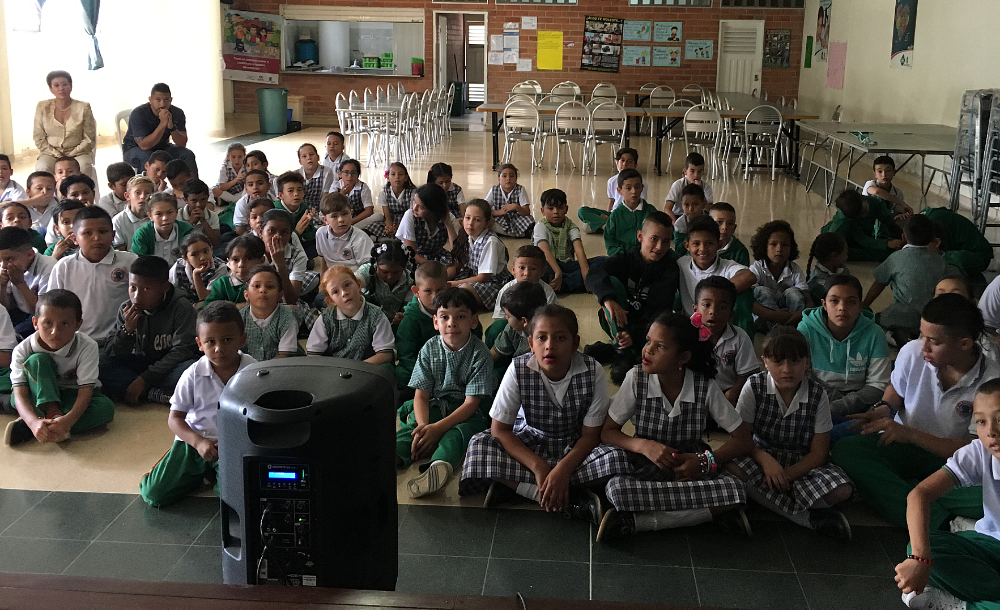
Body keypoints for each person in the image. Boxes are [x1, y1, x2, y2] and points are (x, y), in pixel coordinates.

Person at [832, 294, 998, 530]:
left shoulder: (992, 382)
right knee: (848, 450)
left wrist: (910, 434)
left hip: (956, 462)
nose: (924, 346)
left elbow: (976, 450)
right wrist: (885, 408)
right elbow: (896, 391)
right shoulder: (912, 352)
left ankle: (915, 500)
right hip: (904, 447)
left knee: (991, 492)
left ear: (964, 344)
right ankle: (943, 522)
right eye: (922, 336)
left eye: (934, 341)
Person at [594, 312, 754, 541]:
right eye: (648, 341)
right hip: (647, 465)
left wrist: (703, 461)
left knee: (736, 489)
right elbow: (607, 432)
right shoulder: (636, 378)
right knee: (617, 490)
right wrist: (643, 446)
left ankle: (638, 522)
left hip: (691, 468)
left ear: (683, 358)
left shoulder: (704, 386)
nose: (647, 350)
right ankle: (705, 514)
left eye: (660, 346)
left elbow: (743, 439)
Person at [728, 327, 855, 538]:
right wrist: (766, 462)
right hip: (761, 456)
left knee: (842, 489)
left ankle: (765, 501)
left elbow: (819, 453)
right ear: (765, 362)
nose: (787, 369)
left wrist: (786, 476)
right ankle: (806, 518)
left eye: (795, 361)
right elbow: (742, 438)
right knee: (732, 467)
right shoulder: (754, 386)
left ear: (807, 361)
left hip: (801, 462)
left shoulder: (817, 394)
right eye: (778, 362)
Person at [893, 378, 1000, 610]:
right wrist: (920, 560)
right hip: (990, 543)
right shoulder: (980, 452)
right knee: (922, 547)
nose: (991, 431)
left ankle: (963, 603)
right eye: (981, 421)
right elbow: (919, 494)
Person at [137, 301, 256, 507]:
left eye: (227, 340)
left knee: (234, 497)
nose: (219, 348)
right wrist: (199, 442)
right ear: (199, 344)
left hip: (234, 445)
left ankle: (209, 475)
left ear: (242, 339)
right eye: (210, 342)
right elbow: (175, 419)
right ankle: (192, 471)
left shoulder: (253, 370)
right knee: (154, 494)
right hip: (194, 442)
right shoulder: (192, 374)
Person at [396, 287, 493, 498]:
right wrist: (424, 428)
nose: (452, 323)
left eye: (460, 316)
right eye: (444, 317)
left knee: (458, 435)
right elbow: (420, 395)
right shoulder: (429, 348)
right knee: (411, 430)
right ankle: (392, 456)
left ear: (473, 321)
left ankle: (437, 467)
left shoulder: (480, 354)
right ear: (435, 322)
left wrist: (438, 429)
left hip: (466, 412)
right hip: (434, 405)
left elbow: (471, 404)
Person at [3, 289, 114, 446]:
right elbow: (20, 393)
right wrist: (33, 421)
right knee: (36, 362)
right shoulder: (23, 349)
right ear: (35, 323)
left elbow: (85, 392)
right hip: (37, 394)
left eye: (65, 324)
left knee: (105, 408)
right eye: (47, 323)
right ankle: (45, 420)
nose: (55, 332)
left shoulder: (87, 346)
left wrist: (67, 421)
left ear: (78, 324)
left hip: (72, 395)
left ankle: (41, 426)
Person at [585, 212, 680, 385]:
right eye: (654, 239)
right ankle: (622, 347)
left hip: (647, 327)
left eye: (666, 241)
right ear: (640, 236)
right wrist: (608, 299)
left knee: (660, 328)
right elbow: (594, 273)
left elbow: (657, 312)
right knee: (609, 284)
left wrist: (634, 336)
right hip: (620, 320)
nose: (659, 247)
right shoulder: (627, 258)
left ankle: (619, 349)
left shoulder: (669, 269)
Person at [798, 274, 891, 442]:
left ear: (860, 306)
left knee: (881, 419)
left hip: (859, 406)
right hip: (817, 402)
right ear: (824, 304)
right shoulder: (806, 329)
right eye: (834, 301)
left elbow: (877, 385)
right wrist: (828, 405)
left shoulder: (874, 333)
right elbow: (801, 375)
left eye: (851, 302)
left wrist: (839, 406)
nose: (842, 308)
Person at [100, 256, 198, 405]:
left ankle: (135, 388)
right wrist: (127, 331)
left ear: (164, 288)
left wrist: (145, 379)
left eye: (146, 289)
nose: (137, 296)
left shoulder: (181, 307)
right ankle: (153, 393)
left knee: (193, 369)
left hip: (168, 368)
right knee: (100, 361)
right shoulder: (126, 309)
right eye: (133, 288)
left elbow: (183, 350)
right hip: (139, 364)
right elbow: (111, 351)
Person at [47, 207, 137, 346]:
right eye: (87, 233)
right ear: (75, 238)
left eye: (102, 231)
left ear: (113, 235)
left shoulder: (129, 262)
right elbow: (53, 307)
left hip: (119, 337)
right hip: (77, 340)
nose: (96, 238)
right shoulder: (64, 266)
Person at [863, 214, 947, 344]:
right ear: (933, 239)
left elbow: (879, 283)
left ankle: (895, 337)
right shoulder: (940, 261)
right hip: (932, 318)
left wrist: (864, 305)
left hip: (902, 316)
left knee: (875, 321)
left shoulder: (896, 257)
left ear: (903, 237)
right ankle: (922, 337)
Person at [676, 216, 757, 338]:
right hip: (691, 326)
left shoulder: (726, 266)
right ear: (687, 246)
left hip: (720, 325)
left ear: (718, 244)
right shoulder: (681, 263)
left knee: (744, 293)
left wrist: (715, 293)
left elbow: (749, 276)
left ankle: (741, 340)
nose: (702, 249)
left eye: (709, 243)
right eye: (696, 243)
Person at [306, 265, 394, 363]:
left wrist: (354, 370)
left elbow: (385, 355)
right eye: (336, 292)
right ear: (331, 300)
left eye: (347, 285)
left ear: (358, 284)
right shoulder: (325, 319)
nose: (344, 293)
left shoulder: (377, 316)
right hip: (334, 371)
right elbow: (313, 355)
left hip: (366, 371)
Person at [693, 276, 759, 406]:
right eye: (706, 305)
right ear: (695, 309)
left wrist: (732, 394)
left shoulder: (739, 337)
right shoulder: (686, 334)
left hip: (727, 397)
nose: (713, 312)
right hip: (695, 395)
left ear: (731, 314)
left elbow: (748, 374)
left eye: (722, 307)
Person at [32, 71, 97, 184]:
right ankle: (47, 199)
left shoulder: (83, 107)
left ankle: (82, 198)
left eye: (65, 84)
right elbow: (39, 137)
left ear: (70, 86)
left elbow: (89, 139)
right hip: (50, 152)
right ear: (51, 89)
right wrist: (57, 154)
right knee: (42, 167)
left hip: (78, 152)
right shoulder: (42, 107)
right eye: (56, 85)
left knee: (84, 166)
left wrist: (71, 154)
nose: (61, 88)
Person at [395, 261, 450, 392]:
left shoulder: (456, 310)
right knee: (400, 375)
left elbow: (472, 334)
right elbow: (406, 355)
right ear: (416, 292)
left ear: (448, 287)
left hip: (451, 364)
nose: (435, 297)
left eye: (440, 290)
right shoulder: (410, 318)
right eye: (428, 291)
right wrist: (427, 376)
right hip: (422, 369)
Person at [121, 83, 198, 176]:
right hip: (134, 148)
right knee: (150, 158)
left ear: (171, 100)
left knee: (187, 154)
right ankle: (149, 189)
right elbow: (144, 146)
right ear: (150, 100)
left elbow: (182, 143)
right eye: (158, 100)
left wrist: (172, 127)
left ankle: (191, 188)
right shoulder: (138, 113)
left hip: (163, 146)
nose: (162, 104)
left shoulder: (177, 113)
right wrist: (162, 124)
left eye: (166, 100)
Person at [449, 199, 513, 310]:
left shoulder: (491, 242)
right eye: (467, 218)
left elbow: (483, 277)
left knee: (461, 291)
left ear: (487, 223)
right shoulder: (469, 236)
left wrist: (453, 283)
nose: (470, 223)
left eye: (477, 220)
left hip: (493, 284)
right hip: (474, 276)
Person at [749, 220, 810, 332]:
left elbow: (807, 298)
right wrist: (773, 315)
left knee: (794, 292)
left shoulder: (794, 269)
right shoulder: (757, 267)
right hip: (764, 319)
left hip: (789, 318)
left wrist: (801, 314)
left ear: (791, 248)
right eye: (773, 244)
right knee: (761, 290)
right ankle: (777, 329)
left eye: (785, 245)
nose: (779, 249)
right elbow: (748, 300)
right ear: (764, 246)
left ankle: (795, 329)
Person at [576, 147, 648, 233]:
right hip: (614, 214)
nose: (625, 164)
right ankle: (608, 226)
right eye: (622, 160)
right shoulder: (611, 181)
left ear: (635, 165)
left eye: (630, 161)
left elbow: (640, 206)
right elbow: (612, 201)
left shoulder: (640, 183)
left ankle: (609, 227)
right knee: (582, 211)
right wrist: (609, 216)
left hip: (630, 216)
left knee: (588, 227)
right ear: (617, 163)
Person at [0, 227, 56, 337]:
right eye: (0, 260)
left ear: (30, 254)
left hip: (42, 316)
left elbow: (40, 311)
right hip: (19, 314)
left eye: (10, 259)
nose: (4, 265)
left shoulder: (49, 267)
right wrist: (2, 286)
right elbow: (6, 307)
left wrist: (20, 283)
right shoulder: (4, 266)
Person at [259, 209, 319, 311]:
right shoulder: (252, 250)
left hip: (282, 301)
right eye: (271, 231)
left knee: (292, 308)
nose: (278, 237)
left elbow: (290, 300)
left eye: (284, 232)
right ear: (261, 233)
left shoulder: (297, 255)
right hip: (257, 299)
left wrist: (280, 265)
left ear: (290, 235)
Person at [533, 189, 591, 294]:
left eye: (560, 208)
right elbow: (545, 251)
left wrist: (586, 276)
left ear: (566, 209)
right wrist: (557, 272)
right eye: (550, 208)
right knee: (544, 273)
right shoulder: (540, 226)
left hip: (567, 265)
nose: (555, 212)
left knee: (603, 262)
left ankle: (564, 285)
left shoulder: (571, 227)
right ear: (542, 211)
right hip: (549, 265)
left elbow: (579, 250)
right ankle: (570, 284)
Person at [821, 190, 902, 262]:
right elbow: (862, 239)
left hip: (863, 238)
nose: (863, 216)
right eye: (859, 215)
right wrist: (887, 243)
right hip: (844, 245)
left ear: (863, 199)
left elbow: (886, 217)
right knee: (883, 254)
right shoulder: (845, 220)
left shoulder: (873, 202)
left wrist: (895, 218)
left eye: (863, 211)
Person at [240, 265, 300, 361]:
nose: (263, 290)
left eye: (270, 286)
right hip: (248, 370)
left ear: (280, 295)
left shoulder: (287, 318)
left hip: (280, 368)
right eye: (256, 286)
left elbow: (285, 356)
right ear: (246, 295)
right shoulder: (239, 318)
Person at [922, 206, 995, 283]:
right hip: (959, 249)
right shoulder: (923, 219)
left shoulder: (935, 222)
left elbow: (937, 251)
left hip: (979, 255)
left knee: (939, 260)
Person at [491, 244, 559, 322]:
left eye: (533, 269)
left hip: (536, 326)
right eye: (522, 268)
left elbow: (551, 316)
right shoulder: (507, 289)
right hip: (512, 326)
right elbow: (500, 317)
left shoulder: (547, 291)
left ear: (542, 272)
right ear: (513, 270)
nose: (526, 273)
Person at [491, 280, 547, 373]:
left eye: (508, 316)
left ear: (524, 321)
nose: (506, 318)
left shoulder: (544, 342)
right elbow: (494, 354)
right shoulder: (512, 329)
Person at [396, 183, 457, 267]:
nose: (414, 208)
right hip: (415, 257)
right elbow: (411, 252)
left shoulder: (448, 217)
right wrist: (432, 266)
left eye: (421, 207)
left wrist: (448, 223)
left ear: (433, 210)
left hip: (437, 256)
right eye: (414, 201)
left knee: (455, 266)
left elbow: (456, 250)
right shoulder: (410, 215)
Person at [358, 239, 413, 328]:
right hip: (366, 322)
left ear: (404, 268)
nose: (390, 277)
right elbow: (353, 284)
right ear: (377, 264)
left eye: (396, 272)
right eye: (384, 272)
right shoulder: (367, 271)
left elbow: (406, 308)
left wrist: (401, 315)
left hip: (395, 326)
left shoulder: (410, 280)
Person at [315, 192, 373, 273]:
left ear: (351, 213)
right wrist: (322, 281)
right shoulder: (321, 234)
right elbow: (323, 259)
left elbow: (367, 267)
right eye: (334, 216)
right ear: (325, 220)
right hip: (333, 276)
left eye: (345, 214)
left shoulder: (361, 238)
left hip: (354, 276)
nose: (341, 220)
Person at [202, 234, 266, 308]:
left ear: (261, 261)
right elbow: (206, 310)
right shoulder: (222, 284)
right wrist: (235, 307)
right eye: (235, 259)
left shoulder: (267, 282)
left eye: (248, 258)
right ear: (228, 262)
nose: (241, 265)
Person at [604, 168, 656, 257]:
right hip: (622, 259)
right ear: (619, 191)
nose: (634, 191)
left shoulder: (651, 211)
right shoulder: (615, 215)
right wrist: (621, 255)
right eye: (628, 188)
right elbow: (610, 243)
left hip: (647, 257)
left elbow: (658, 237)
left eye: (637, 187)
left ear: (642, 188)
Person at [130, 192, 193, 261]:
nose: (165, 218)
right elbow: (139, 264)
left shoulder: (186, 230)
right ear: (150, 216)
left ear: (176, 212)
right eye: (159, 214)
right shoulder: (142, 235)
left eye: (169, 212)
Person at [169, 232, 226, 303]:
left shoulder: (220, 268)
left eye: (205, 251)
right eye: (194, 255)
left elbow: (207, 300)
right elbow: (169, 292)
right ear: (186, 259)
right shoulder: (179, 266)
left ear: (211, 250)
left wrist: (196, 275)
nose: (202, 258)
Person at [274, 171, 316, 260]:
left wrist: (307, 226)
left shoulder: (304, 207)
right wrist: (297, 231)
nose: (296, 194)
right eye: (290, 191)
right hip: (283, 247)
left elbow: (310, 236)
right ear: (280, 195)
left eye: (299, 190)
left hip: (300, 244)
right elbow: (278, 240)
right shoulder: (275, 211)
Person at [332, 159, 381, 236]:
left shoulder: (363, 187)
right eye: (346, 173)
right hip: (340, 219)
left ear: (358, 175)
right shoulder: (335, 186)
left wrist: (351, 221)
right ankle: (355, 232)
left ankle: (350, 230)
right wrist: (341, 194)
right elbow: (331, 207)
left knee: (378, 216)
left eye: (353, 173)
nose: (350, 176)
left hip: (357, 220)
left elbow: (369, 211)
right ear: (340, 174)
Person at [484, 164, 534, 238]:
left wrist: (516, 207)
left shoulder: (520, 189)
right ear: (499, 179)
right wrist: (498, 212)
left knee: (529, 220)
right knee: (488, 222)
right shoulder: (494, 190)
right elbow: (484, 209)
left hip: (517, 219)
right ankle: (522, 234)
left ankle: (503, 233)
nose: (508, 179)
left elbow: (526, 212)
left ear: (516, 179)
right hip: (499, 218)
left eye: (511, 176)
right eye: (504, 176)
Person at [664, 152, 713, 224]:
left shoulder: (706, 188)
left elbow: (708, 210)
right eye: (692, 171)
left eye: (699, 171)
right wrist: (675, 224)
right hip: (678, 215)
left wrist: (700, 191)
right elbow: (667, 208)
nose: (696, 175)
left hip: (697, 216)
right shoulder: (678, 185)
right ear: (685, 171)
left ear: (703, 172)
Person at [112, 176, 153, 250]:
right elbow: (120, 252)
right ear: (127, 196)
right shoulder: (118, 221)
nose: (143, 196)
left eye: (147, 193)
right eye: (137, 193)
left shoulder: (155, 217)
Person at [375, 162, 416, 239]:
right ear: (388, 177)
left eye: (400, 174)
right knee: (375, 225)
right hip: (392, 219)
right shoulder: (384, 192)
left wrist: (400, 226)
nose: (397, 177)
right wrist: (390, 226)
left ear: (406, 177)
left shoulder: (412, 192)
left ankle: (384, 238)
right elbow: (387, 215)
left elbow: (412, 212)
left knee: (414, 228)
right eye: (393, 174)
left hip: (408, 219)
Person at [805, 232, 849, 302]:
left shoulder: (842, 270)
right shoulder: (817, 284)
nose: (847, 257)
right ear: (834, 255)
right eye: (845, 253)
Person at [231, 170, 274, 235]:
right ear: (246, 189)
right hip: (250, 236)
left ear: (268, 186)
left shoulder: (274, 200)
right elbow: (239, 229)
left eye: (260, 183)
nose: (255, 187)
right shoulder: (242, 203)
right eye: (251, 185)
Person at [297, 143, 336, 215]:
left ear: (318, 157)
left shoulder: (326, 172)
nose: (309, 158)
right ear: (300, 162)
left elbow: (325, 197)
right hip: (301, 211)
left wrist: (320, 214)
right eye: (304, 156)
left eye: (311, 154)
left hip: (319, 210)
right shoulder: (296, 174)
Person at [180, 180, 221, 247]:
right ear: (186, 200)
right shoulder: (178, 216)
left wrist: (203, 221)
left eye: (203, 199)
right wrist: (190, 223)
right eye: (194, 200)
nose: (198, 204)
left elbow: (216, 243)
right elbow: (179, 243)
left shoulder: (212, 215)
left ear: (207, 198)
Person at [672, 183, 710, 255]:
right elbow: (679, 251)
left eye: (695, 204)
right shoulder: (680, 224)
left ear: (703, 204)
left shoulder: (710, 219)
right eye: (686, 205)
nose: (690, 209)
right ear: (681, 205)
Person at [709, 202, 749, 266]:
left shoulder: (740, 252)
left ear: (734, 228)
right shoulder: (700, 245)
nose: (724, 227)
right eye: (719, 222)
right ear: (708, 224)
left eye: (730, 223)